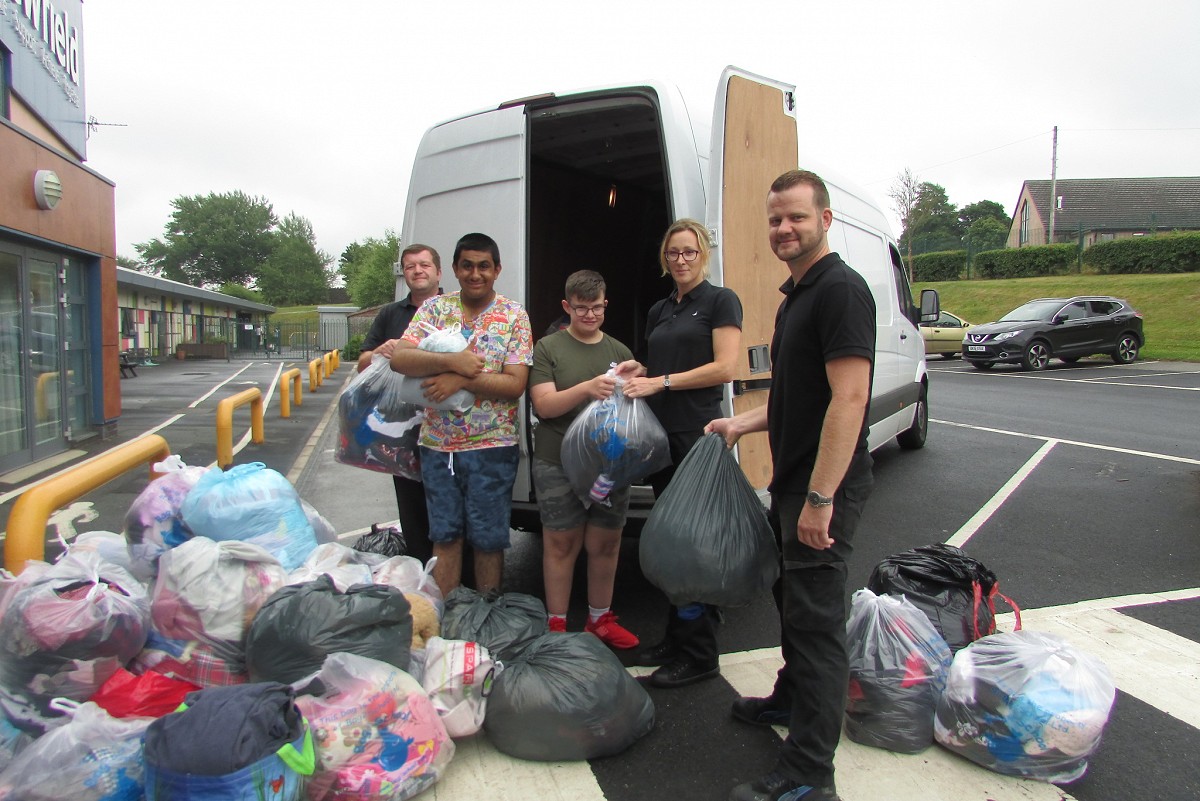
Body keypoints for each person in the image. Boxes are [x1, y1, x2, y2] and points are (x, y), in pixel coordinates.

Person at [706, 170, 876, 801]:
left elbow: (849, 396)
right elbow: (795, 395)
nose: (784, 229)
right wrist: (742, 422)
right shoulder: (796, 295)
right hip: (794, 479)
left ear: (824, 220)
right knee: (791, 603)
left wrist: (821, 499)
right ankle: (788, 698)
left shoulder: (841, 291)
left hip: (821, 486)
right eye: (776, 218)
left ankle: (810, 774)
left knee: (817, 623)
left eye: (797, 218)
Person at [617, 218, 743, 688]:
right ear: (665, 258)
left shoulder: (720, 300)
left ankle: (700, 653)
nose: (681, 260)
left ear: (703, 254)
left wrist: (661, 381)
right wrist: (642, 367)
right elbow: (666, 365)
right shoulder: (660, 309)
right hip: (663, 435)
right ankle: (677, 635)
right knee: (673, 538)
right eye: (674, 253)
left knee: (695, 545)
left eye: (689, 252)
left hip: (697, 433)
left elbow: (725, 366)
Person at [391, 233, 532, 597]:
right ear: (454, 269)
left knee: (488, 539)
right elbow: (400, 358)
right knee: (445, 535)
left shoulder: (514, 316)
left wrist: (459, 379)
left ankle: (486, 618)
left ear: (497, 270)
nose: (475, 273)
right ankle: (447, 625)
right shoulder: (435, 310)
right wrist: (450, 361)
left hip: (493, 447)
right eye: (467, 265)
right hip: (438, 447)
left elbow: (515, 384)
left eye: (483, 266)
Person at [529, 270, 639, 649]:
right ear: (566, 306)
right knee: (560, 544)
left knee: (606, 543)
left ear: (605, 304)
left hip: (609, 464)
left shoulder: (620, 352)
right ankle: (556, 627)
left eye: (596, 308)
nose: (590, 315)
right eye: (581, 309)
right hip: (556, 459)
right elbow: (544, 406)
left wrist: (638, 378)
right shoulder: (548, 348)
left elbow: (632, 406)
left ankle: (599, 620)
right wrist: (587, 388)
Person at [355, 243, 444, 564]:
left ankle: (456, 578)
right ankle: (420, 571)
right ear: (403, 273)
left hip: (449, 424)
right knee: (411, 506)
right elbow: (361, 363)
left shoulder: (455, 308)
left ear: (438, 271)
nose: (417, 271)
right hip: (402, 431)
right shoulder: (390, 315)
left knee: (449, 505)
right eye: (410, 266)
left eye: (424, 265)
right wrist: (380, 351)